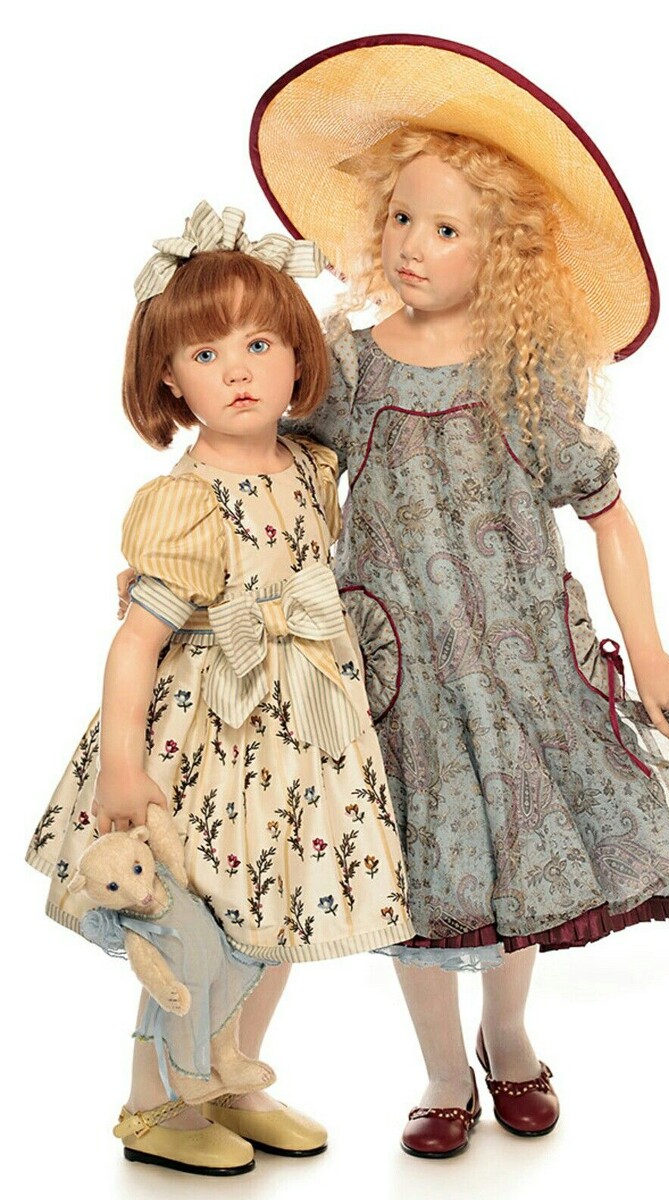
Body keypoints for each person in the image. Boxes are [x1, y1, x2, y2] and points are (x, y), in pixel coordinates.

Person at [250, 36, 669, 1158]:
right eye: (401, 218)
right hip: (398, 673)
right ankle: (443, 1071)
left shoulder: (522, 375)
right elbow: (280, 477)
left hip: (518, 658)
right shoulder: (350, 365)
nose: (413, 244)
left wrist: (650, 648)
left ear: (504, 250)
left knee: (519, 853)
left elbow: (607, 511)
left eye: (447, 228)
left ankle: (511, 1034)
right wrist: (200, 551)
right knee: (422, 872)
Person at [26, 201, 413, 1175]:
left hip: (299, 734)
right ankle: (153, 1103)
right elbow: (135, 643)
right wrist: (123, 768)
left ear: (296, 353)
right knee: (194, 932)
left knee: (276, 914)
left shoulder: (311, 467)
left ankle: (228, 1080)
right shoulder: (187, 503)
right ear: (168, 376)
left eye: (258, 343)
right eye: (205, 354)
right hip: (209, 740)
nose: (237, 370)